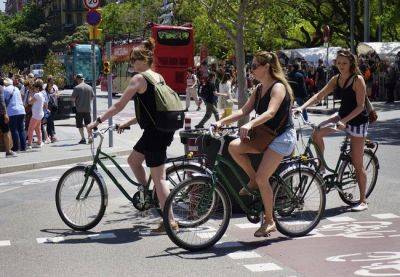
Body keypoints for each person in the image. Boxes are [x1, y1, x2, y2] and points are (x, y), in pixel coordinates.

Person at [87, 38, 178, 233]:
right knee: (133, 160)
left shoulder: (139, 78)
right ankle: (146, 193)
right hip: (158, 130)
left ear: (142, 60)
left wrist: (98, 121)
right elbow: (155, 109)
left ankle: (169, 221)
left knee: (160, 178)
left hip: (155, 134)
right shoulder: (157, 76)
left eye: (134, 60)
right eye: (132, 61)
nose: (132, 64)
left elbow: (119, 105)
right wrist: (129, 122)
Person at [214, 51, 296, 237]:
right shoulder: (259, 88)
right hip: (265, 134)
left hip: (281, 137)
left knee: (263, 178)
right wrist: (222, 122)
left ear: (266, 67)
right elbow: (243, 110)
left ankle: (269, 221)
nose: (251, 69)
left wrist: (251, 123)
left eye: (254, 66)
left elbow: (271, 112)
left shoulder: (278, 87)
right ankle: (252, 180)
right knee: (234, 146)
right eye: (250, 66)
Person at [294, 49, 370, 212]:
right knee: (317, 132)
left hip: (358, 121)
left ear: (351, 64)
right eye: (339, 63)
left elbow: (360, 107)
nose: (341, 66)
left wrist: (344, 121)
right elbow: (319, 96)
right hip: (342, 115)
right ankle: (321, 167)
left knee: (357, 163)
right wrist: (302, 107)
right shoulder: (336, 79)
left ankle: (363, 200)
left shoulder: (358, 80)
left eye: (345, 63)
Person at [3, 78, 26, 152]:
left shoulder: (5, 90)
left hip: (12, 111)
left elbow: (3, 101)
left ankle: (16, 147)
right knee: (21, 129)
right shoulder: (16, 88)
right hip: (21, 110)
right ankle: (23, 146)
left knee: (14, 129)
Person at [71, 74, 94, 144]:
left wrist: (74, 106)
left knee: (80, 125)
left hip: (79, 110)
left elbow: (73, 99)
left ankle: (83, 138)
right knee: (88, 124)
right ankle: (90, 136)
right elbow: (93, 97)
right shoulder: (90, 87)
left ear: (78, 79)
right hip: (87, 109)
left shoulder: (77, 88)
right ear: (83, 79)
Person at [27, 79, 46, 149]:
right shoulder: (42, 94)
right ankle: (39, 142)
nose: (34, 89)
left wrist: (30, 96)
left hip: (36, 115)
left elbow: (30, 102)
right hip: (40, 114)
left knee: (30, 129)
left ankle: (29, 144)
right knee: (38, 129)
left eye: (35, 87)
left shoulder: (37, 94)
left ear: (38, 88)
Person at [0, 78, 17, 157]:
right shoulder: (0, 88)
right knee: (6, 131)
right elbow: (2, 102)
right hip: (1, 114)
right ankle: (8, 151)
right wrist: (5, 114)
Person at [44, 76, 59, 142]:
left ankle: (47, 136)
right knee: (50, 121)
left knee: (50, 121)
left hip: (54, 106)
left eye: (53, 82)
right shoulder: (45, 88)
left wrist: (56, 95)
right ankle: (52, 135)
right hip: (47, 107)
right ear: (48, 82)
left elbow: (58, 95)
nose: (52, 83)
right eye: (51, 82)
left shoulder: (55, 87)